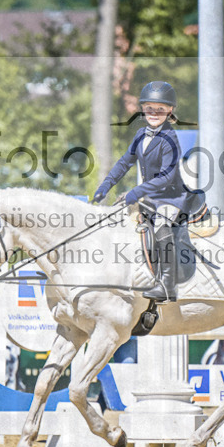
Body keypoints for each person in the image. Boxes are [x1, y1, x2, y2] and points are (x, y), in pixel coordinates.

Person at [92, 81, 200, 304]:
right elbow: (124, 162)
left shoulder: (170, 138)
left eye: (160, 109)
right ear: (142, 109)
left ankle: (167, 285)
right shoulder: (141, 133)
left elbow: (167, 177)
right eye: (149, 108)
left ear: (170, 111)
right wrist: (106, 186)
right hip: (149, 195)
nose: (154, 113)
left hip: (171, 196)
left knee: (161, 225)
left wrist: (135, 192)